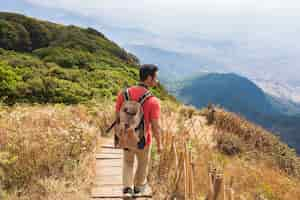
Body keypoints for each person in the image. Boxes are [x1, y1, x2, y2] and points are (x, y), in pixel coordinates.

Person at [115, 64, 162, 197]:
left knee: (127, 162)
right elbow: (156, 126)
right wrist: (160, 143)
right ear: (148, 78)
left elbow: (118, 115)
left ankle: (127, 189)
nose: (157, 80)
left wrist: (120, 135)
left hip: (126, 136)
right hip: (143, 140)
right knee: (142, 164)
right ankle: (137, 188)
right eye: (155, 77)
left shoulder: (123, 94)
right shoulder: (153, 100)